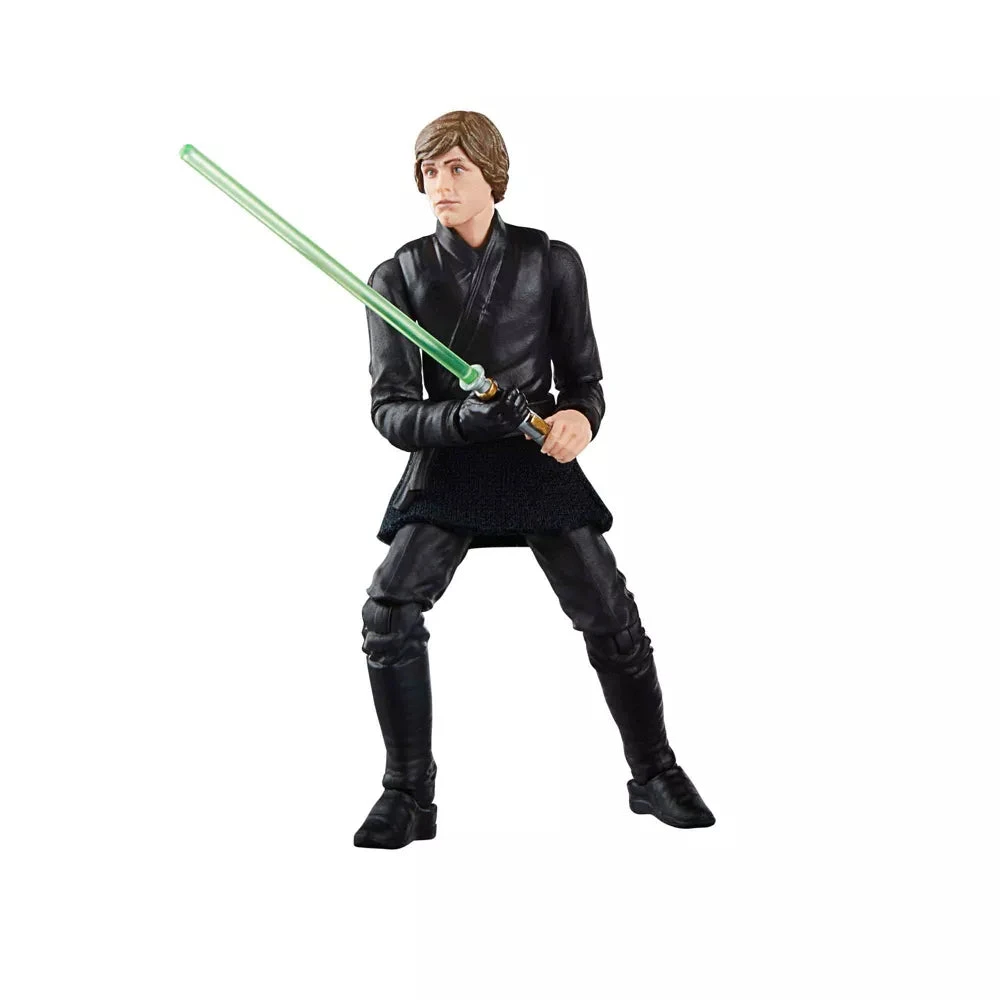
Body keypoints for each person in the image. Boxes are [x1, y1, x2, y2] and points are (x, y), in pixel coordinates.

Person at [355, 110, 714, 849]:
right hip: (453, 459)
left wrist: (579, 418)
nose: (440, 184)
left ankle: (654, 772)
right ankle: (407, 792)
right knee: (388, 611)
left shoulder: (551, 262)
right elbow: (391, 410)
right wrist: (459, 420)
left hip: (533, 451)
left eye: (457, 168)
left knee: (610, 612)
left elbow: (584, 380)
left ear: (492, 175)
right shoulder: (398, 276)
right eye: (429, 171)